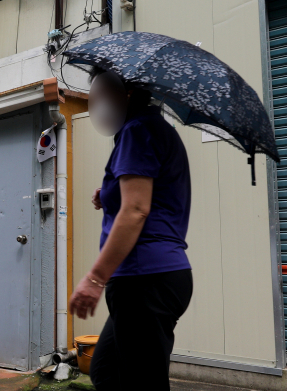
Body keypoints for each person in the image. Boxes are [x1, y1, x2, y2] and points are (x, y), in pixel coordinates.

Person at [68, 68, 193, 391]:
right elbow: (148, 196)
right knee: (107, 370)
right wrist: (109, 195)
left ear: (127, 93)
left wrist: (94, 279)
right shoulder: (154, 129)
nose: (98, 103)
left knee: (142, 382)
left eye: (103, 93)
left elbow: (136, 210)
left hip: (144, 278)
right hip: (154, 278)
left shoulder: (137, 130)